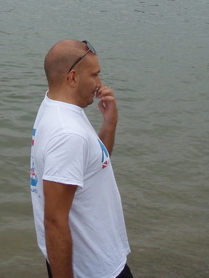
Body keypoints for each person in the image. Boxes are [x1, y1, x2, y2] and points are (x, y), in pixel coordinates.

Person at [30, 40, 133, 278]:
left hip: (94, 261)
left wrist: (109, 124)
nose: (100, 84)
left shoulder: (54, 106)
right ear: (73, 77)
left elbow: (95, 166)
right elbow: (54, 222)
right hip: (93, 269)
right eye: (94, 75)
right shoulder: (68, 134)